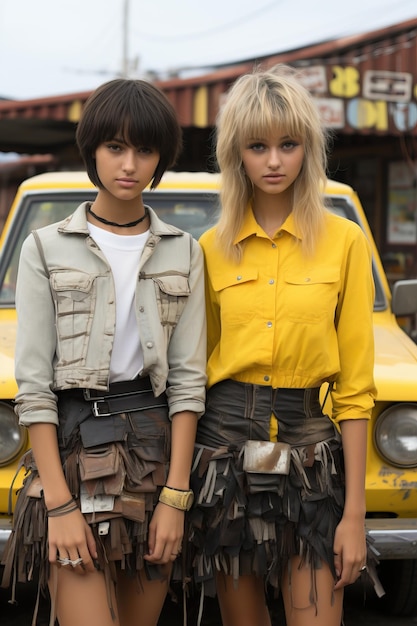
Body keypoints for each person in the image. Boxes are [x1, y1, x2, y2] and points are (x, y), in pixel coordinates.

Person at [1, 78, 206, 626]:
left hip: (153, 454)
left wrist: (175, 498)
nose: (129, 163)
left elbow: (188, 385)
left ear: (160, 157)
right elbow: (35, 388)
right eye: (115, 147)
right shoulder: (44, 247)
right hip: (73, 449)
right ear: (92, 150)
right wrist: (61, 506)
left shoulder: (184, 251)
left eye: (144, 149)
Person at [188, 64, 379, 626]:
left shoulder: (345, 241)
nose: (273, 161)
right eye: (257, 145)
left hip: (312, 452)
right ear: (236, 153)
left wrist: (355, 515)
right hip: (223, 451)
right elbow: (191, 374)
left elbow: (356, 387)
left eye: (288, 144)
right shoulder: (208, 248)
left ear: (308, 148)